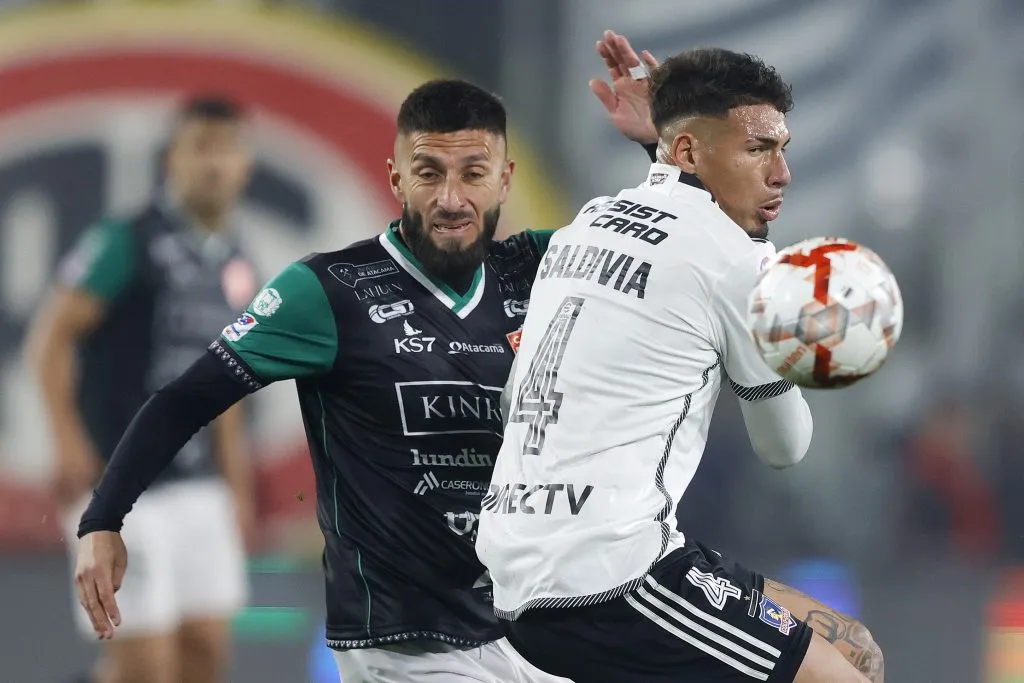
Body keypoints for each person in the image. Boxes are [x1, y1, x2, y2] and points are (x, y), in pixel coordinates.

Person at [70, 33, 657, 683]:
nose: (452, 198)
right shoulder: (326, 290)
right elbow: (186, 397)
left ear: (505, 179)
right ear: (396, 175)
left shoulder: (542, 267)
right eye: (429, 172)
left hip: (524, 627)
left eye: (473, 173)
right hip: (404, 645)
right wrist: (104, 516)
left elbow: (675, 249)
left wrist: (660, 150)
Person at [477, 47, 886, 683]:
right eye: (758, 150)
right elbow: (786, 447)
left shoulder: (586, 223)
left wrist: (665, 143)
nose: (782, 173)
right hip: (613, 583)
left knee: (853, 645)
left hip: (519, 574)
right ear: (692, 152)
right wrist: (784, 337)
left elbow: (671, 228)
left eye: (783, 148)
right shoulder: (738, 263)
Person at [25, 95, 258, 683]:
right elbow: (48, 340)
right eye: (199, 146)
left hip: (200, 488)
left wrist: (238, 482)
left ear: (244, 165)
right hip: (124, 487)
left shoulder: (236, 263)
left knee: (205, 654)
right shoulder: (126, 242)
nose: (214, 163)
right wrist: (67, 441)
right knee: (144, 667)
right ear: (171, 160)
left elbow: (225, 382)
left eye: (227, 148)